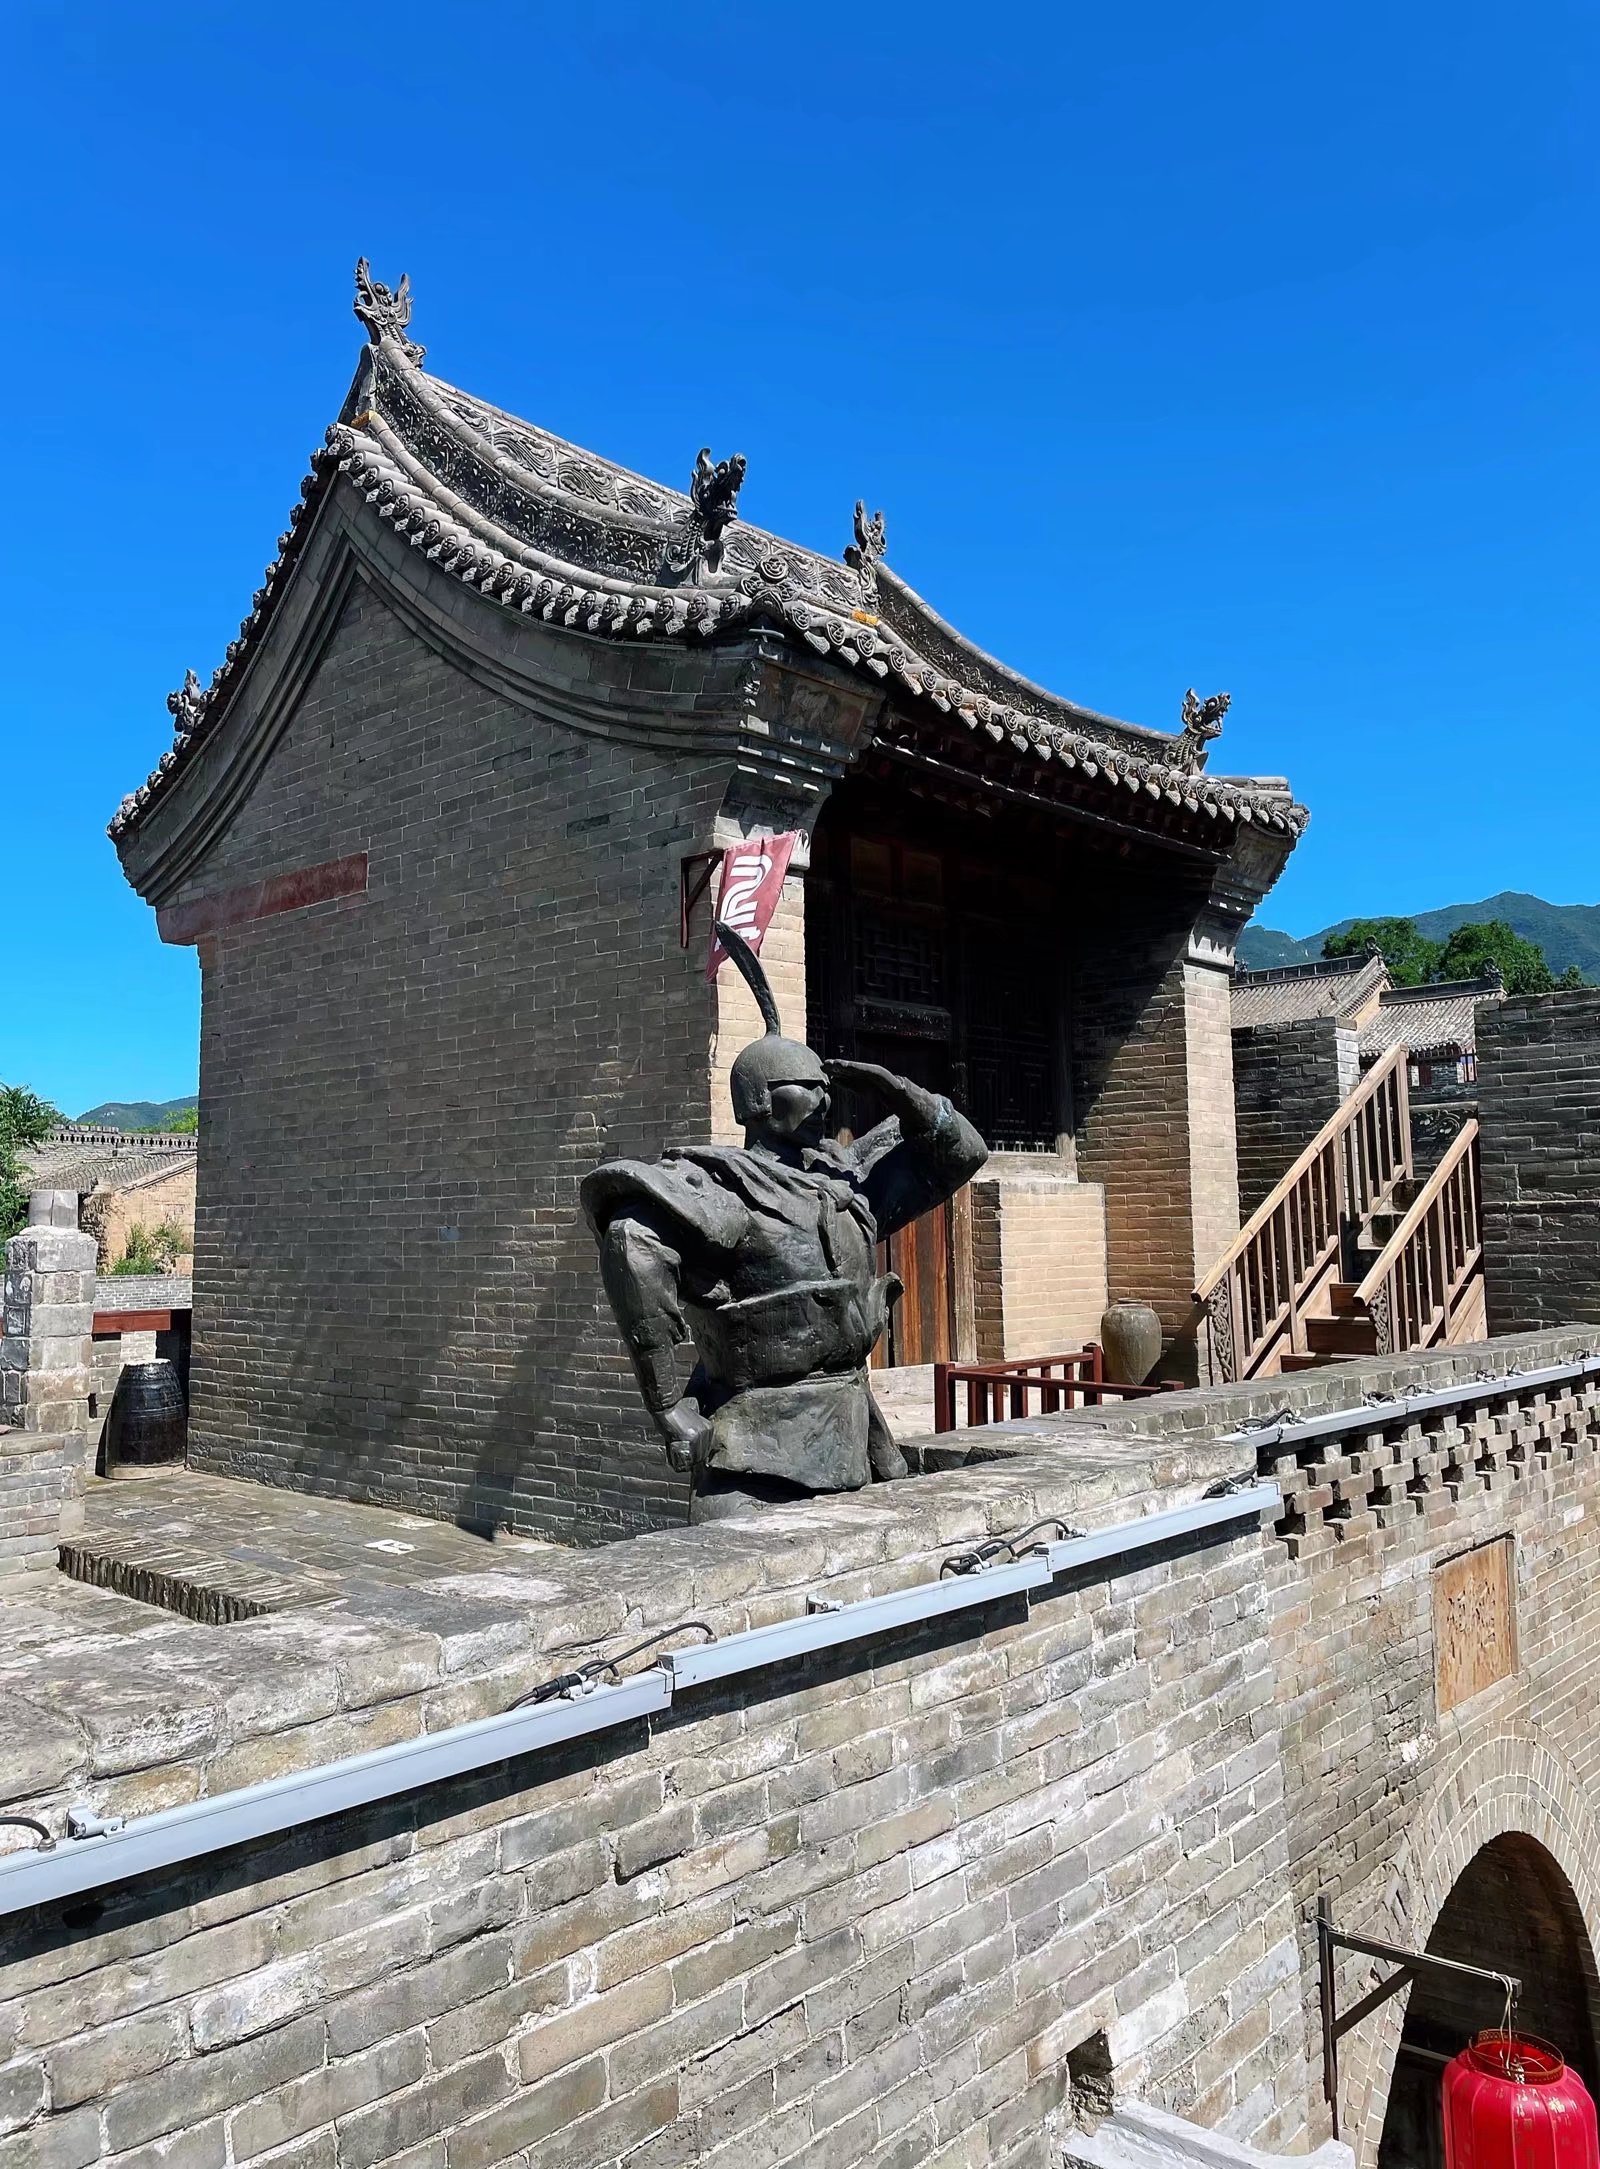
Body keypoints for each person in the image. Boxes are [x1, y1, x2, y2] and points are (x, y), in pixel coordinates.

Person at [581, 923, 988, 1520]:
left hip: (855, 1434)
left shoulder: (847, 1181)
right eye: (807, 1088)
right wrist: (667, 1405)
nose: (825, 1101)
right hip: (756, 1445)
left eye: (827, 1089)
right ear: (759, 1100)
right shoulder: (723, 1186)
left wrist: (896, 1089)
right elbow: (630, 1240)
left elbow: (963, 1153)